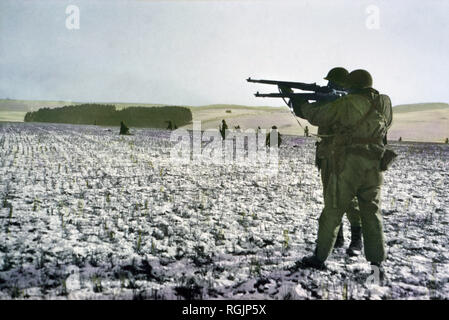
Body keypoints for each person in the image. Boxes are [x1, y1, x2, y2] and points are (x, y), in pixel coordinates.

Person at [289, 69, 393, 280]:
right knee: (372, 214)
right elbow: (387, 124)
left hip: (349, 163)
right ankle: (376, 268)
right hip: (375, 164)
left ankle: (319, 259)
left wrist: (298, 103)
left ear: (351, 86)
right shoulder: (384, 102)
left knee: (333, 210)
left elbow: (318, 115)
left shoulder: (347, 103)